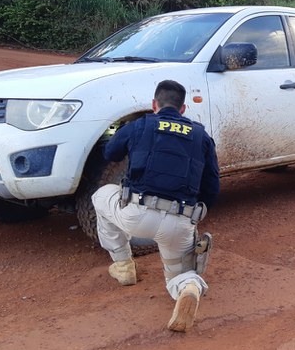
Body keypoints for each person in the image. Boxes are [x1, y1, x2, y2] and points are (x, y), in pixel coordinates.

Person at [91, 79, 220, 332]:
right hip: (180, 223)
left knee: (102, 195)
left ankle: (124, 265)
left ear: (154, 105)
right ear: (183, 109)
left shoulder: (141, 125)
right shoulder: (201, 136)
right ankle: (189, 287)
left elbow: (110, 154)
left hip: (137, 216)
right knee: (178, 276)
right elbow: (212, 189)